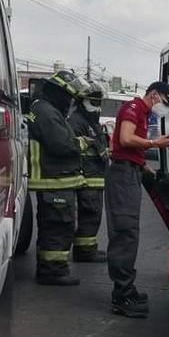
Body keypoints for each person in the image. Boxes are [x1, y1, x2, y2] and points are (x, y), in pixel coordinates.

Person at [106, 82, 169, 318]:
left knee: (130, 233)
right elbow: (126, 139)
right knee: (125, 232)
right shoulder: (133, 108)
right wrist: (154, 144)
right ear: (154, 95)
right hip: (122, 176)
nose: (164, 107)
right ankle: (122, 295)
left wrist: (144, 166)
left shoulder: (143, 113)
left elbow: (128, 148)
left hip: (131, 172)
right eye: (165, 102)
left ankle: (127, 288)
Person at [27, 71, 90, 286]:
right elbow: (61, 144)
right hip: (53, 179)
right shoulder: (46, 112)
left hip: (54, 179)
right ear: (60, 93)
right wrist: (82, 143)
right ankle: (52, 271)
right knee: (57, 226)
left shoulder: (43, 108)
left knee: (54, 225)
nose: (71, 103)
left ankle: (52, 269)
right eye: (70, 97)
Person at [68, 80, 109, 263]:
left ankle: (88, 248)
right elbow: (75, 148)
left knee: (93, 215)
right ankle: (84, 252)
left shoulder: (91, 120)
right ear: (81, 100)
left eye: (99, 102)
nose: (97, 106)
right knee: (89, 213)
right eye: (94, 101)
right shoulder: (77, 121)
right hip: (87, 177)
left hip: (95, 176)